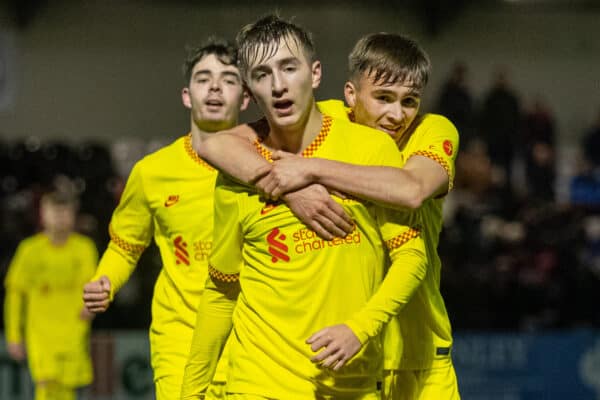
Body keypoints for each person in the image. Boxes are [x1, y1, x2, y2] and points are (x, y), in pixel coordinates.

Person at [195, 32, 461, 399]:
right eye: (383, 98)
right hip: (341, 363)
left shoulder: (433, 129)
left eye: (409, 101)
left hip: (416, 350)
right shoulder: (327, 117)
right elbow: (216, 144)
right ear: (351, 95)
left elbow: (411, 190)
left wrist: (311, 171)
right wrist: (291, 190)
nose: (397, 114)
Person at [81, 37, 249, 400]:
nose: (215, 86)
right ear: (187, 96)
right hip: (180, 338)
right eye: (204, 78)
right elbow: (126, 246)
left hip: (251, 340)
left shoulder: (270, 167)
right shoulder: (152, 172)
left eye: (229, 79)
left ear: (246, 98)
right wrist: (104, 280)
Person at [4, 190, 97, 400]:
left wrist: (93, 305)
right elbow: (15, 294)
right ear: (42, 215)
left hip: (74, 335)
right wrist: (13, 335)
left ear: (73, 215)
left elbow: (95, 287)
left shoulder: (84, 249)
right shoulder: (29, 250)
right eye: (54, 212)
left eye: (65, 212)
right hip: (41, 337)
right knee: (46, 389)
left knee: (69, 390)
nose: (60, 217)